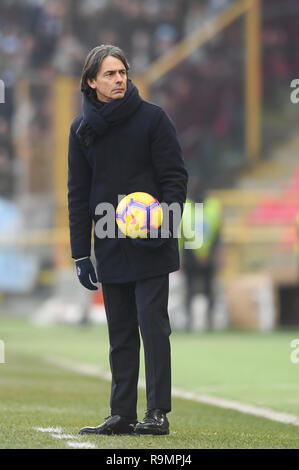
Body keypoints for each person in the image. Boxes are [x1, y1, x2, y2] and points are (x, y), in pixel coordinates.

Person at [67, 45, 188, 435]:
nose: (119, 79)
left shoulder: (153, 118)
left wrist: (164, 226)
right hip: (109, 242)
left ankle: (157, 413)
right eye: (110, 74)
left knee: (153, 325)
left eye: (122, 72)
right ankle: (122, 414)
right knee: (119, 330)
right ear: (91, 82)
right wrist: (79, 253)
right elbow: (77, 193)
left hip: (153, 243)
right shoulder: (80, 130)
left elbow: (175, 178)